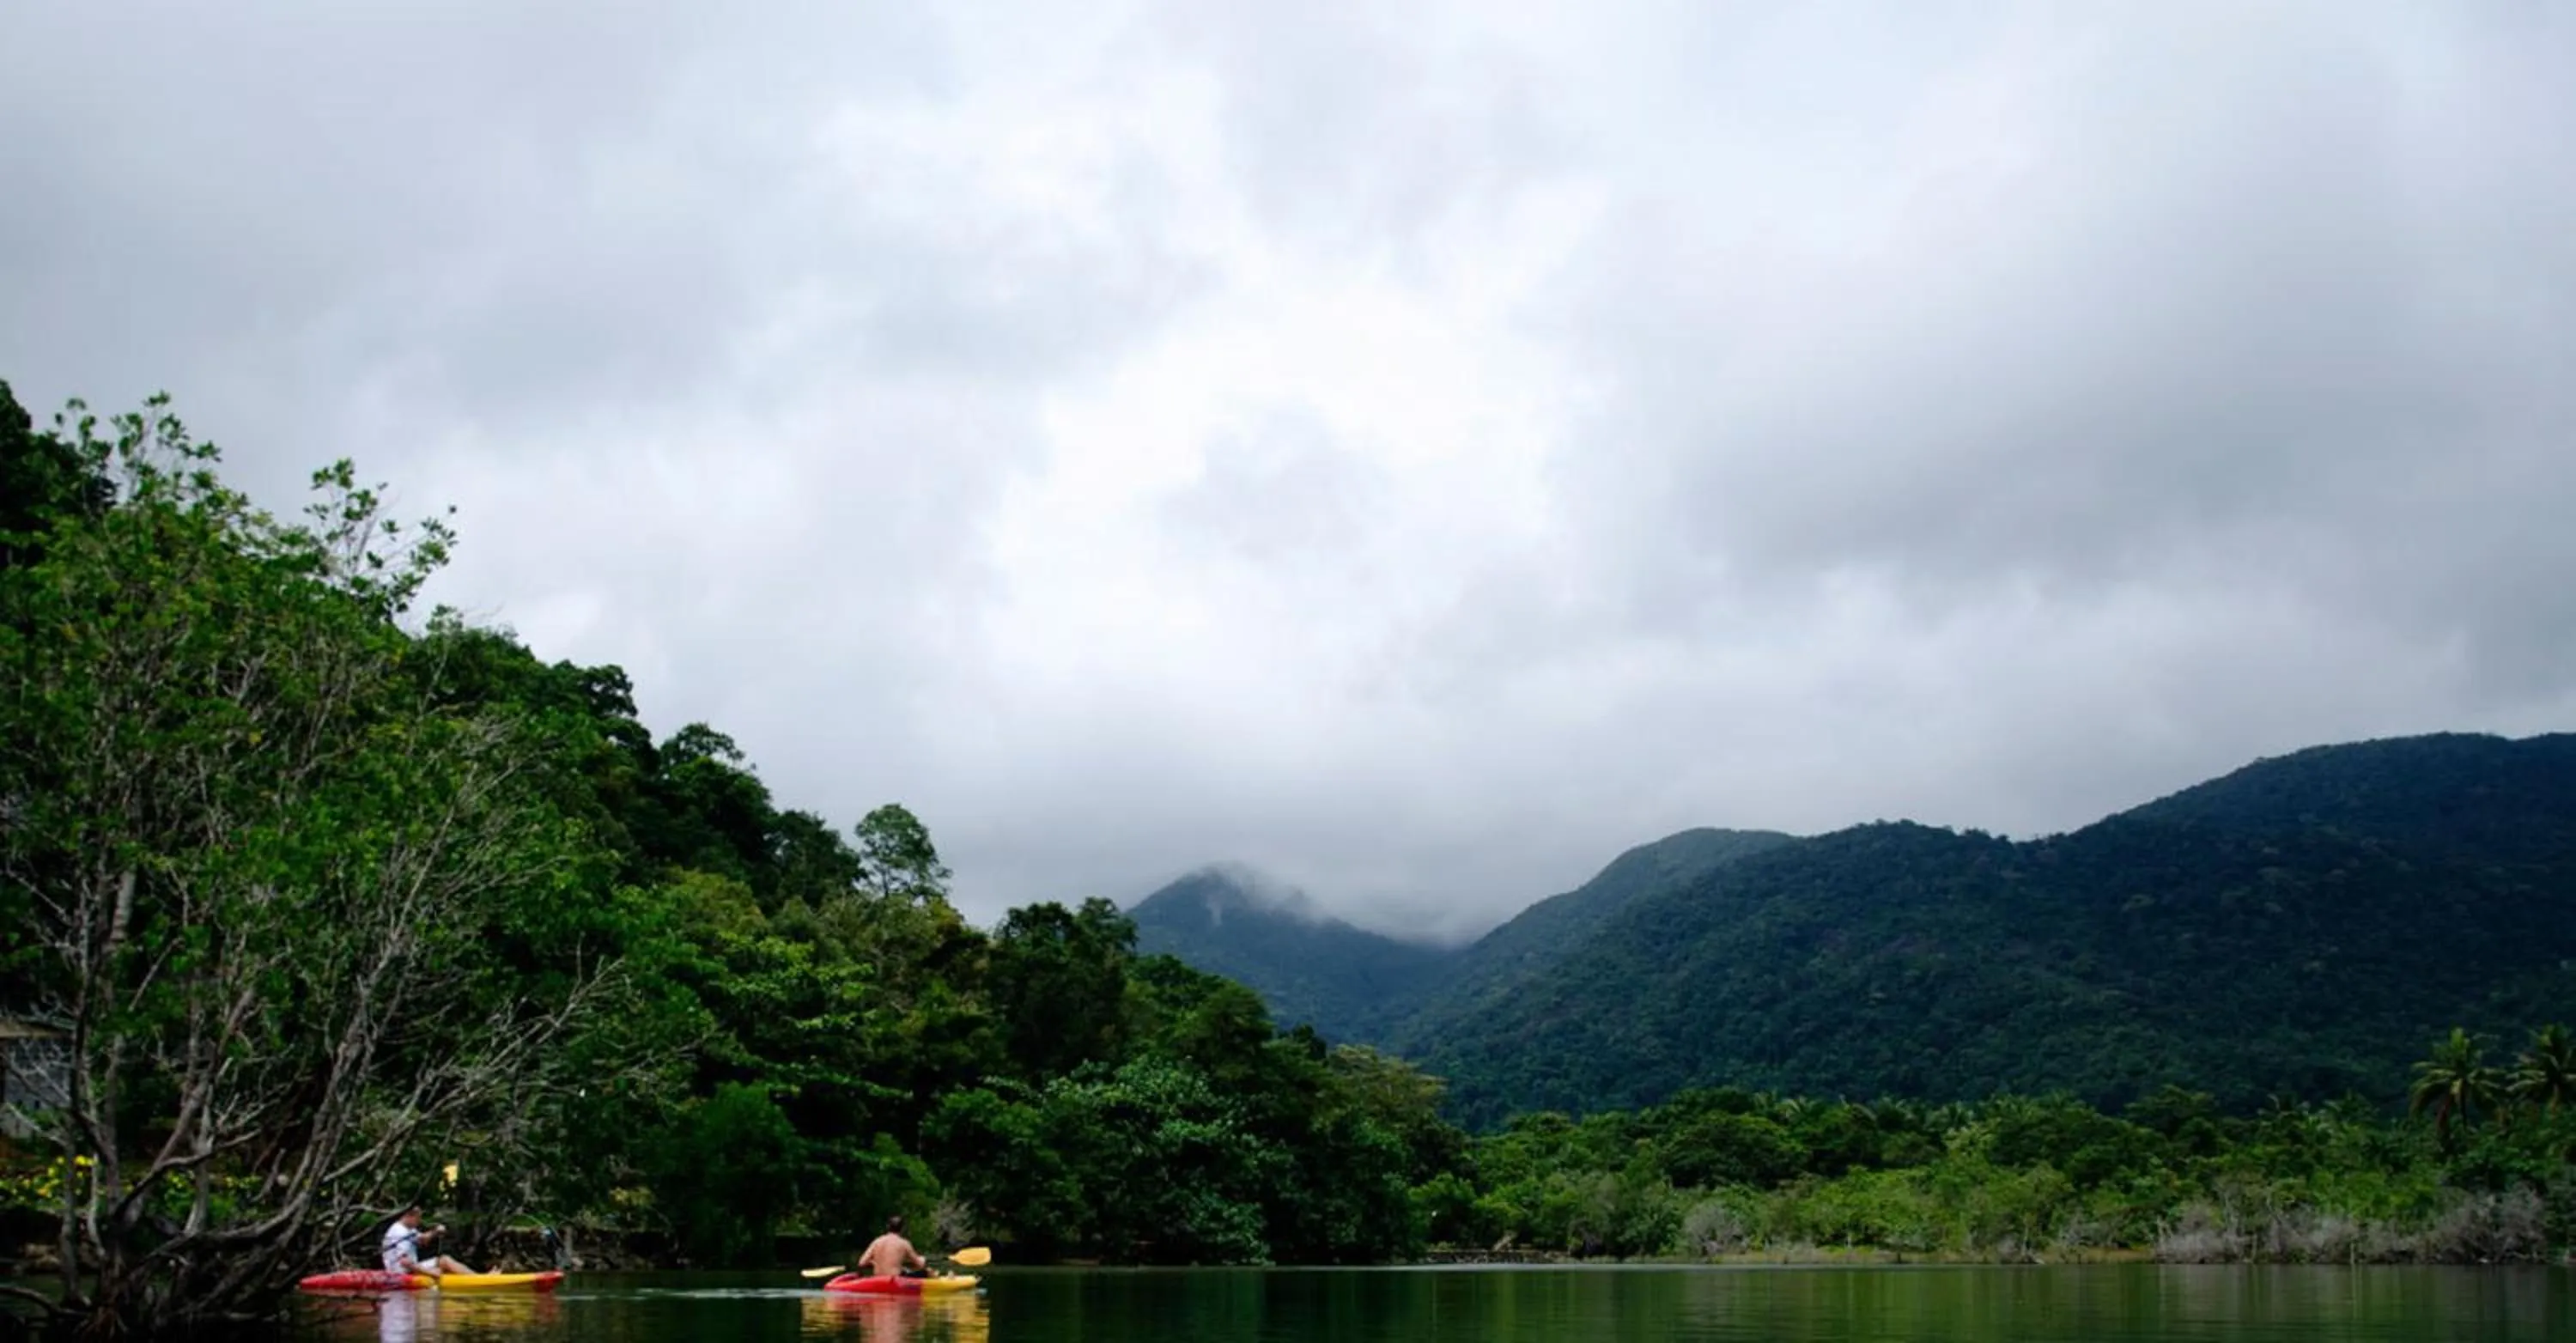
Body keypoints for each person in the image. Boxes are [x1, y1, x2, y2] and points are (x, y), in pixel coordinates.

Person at [382, 1204, 478, 1279]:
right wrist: (431, 1273)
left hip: (408, 1269)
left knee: (443, 1263)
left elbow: (423, 1240)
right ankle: (478, 1279)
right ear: (409, 1216)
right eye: (418, 1218)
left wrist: (436, 1232)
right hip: (401, 1273)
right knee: (444, 1260)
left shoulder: (408, 1229)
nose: (420, 1221)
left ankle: (475, 1277)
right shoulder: (399, 1232)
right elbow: (405, 1262)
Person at [856, 1214, 930, 1279]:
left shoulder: (877, 1241)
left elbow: (861, 1263)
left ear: (888, 1226)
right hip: (895, 1281)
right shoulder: (904, 1243)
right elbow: (920, 1264)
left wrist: (874, 1263)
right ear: (903, 1228)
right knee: (926, 1272)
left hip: (878, 1279)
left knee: (904, 1270)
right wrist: (922, 1259)